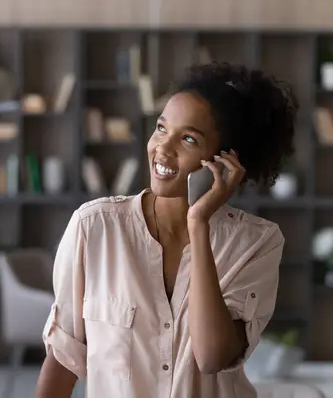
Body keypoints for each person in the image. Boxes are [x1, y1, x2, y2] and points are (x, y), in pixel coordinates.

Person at [35, 61, 298, 398]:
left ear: (225, 161)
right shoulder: (94, 228)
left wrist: (198, 224)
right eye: (161, 128)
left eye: (188, 138)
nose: (163, 147)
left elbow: (212, 355)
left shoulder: (255, 243)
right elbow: (63, 358)